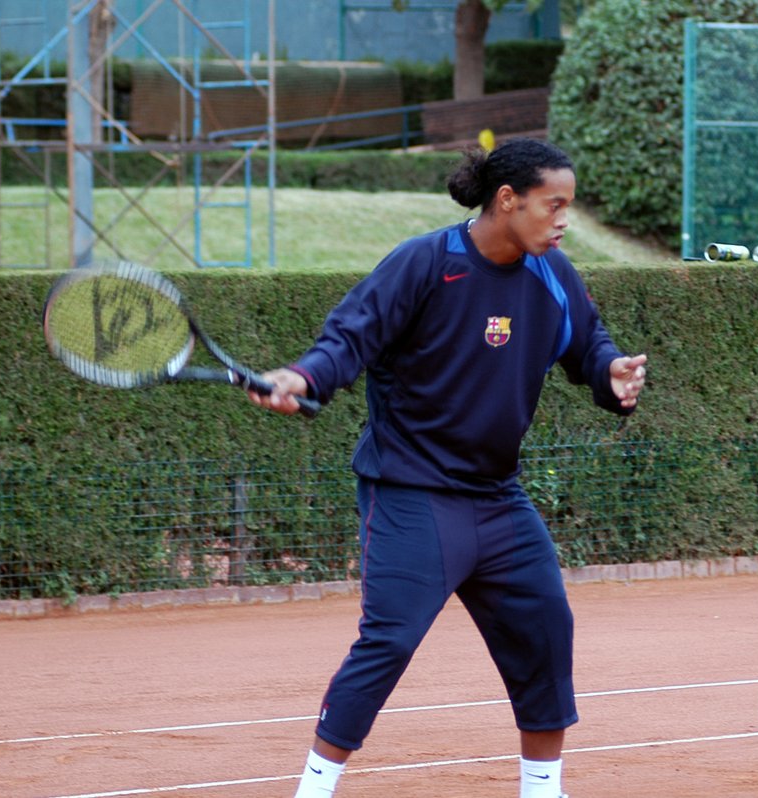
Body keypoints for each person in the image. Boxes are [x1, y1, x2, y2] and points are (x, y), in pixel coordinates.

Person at [248, 137, 647, 798]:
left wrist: (611, 372)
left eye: (568, 207)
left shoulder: (554, 275)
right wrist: (302, 377)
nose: (563, 220)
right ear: (508, 199)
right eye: (553, 205)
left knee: (547, 629)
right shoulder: (427, 264)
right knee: (390, 640)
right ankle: (314, 789)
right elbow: (350, 337)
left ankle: (543, 789)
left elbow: (588, 343)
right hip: (412, 493)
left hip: (497, 500)